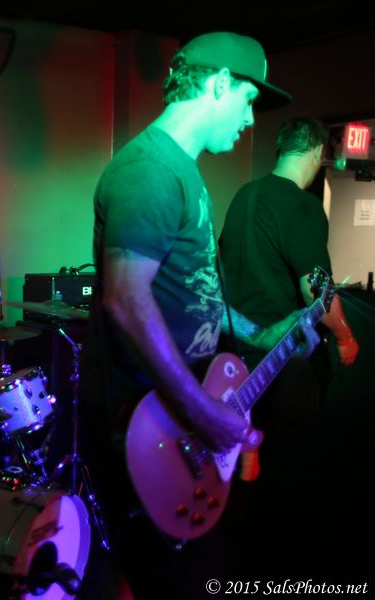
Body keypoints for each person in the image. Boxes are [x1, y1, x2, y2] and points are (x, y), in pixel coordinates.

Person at [78, 32, 318, 599]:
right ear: (218, 83)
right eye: (248, 100)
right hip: (148, 425)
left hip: (178, 421)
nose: (251, 120)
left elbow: (195, 293)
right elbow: (125, 299)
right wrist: (202, 412)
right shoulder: (151, 170)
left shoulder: (182, 171)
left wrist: (263, 332)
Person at [218, 116, 360, 577]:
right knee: (286, 476)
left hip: (234, 359)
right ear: (317, 152)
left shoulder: (243, 196)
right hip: (285, 363)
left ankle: (234, 564)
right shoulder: (303, 206)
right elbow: (316, 291)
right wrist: (346, 336)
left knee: (239, 472)